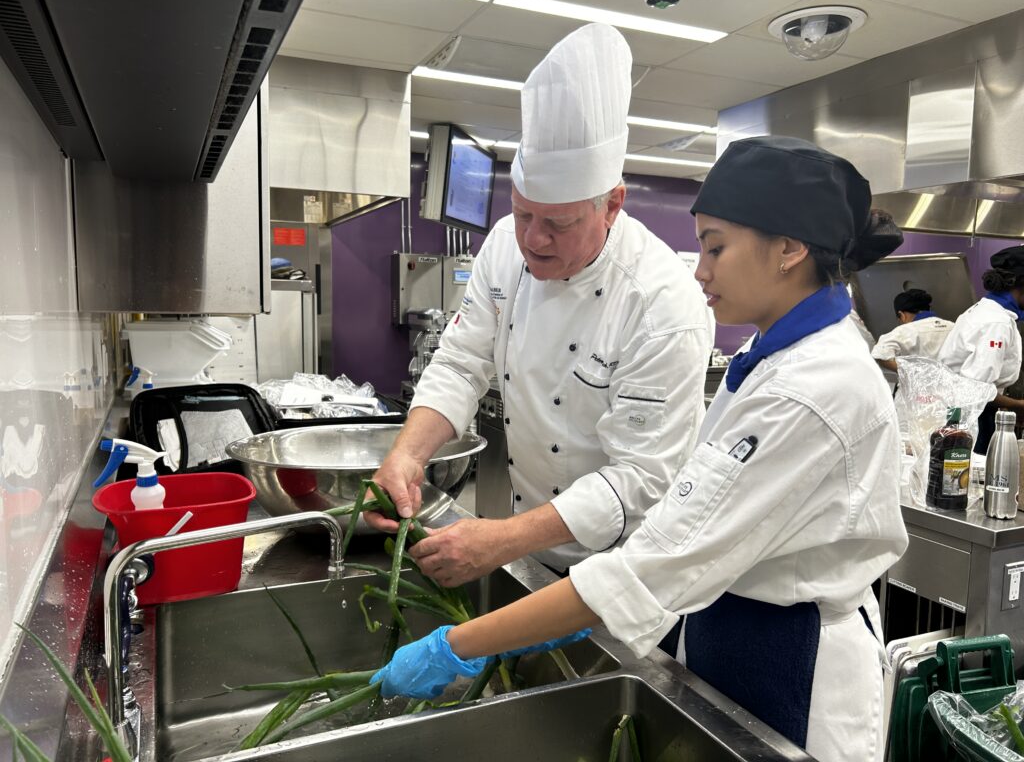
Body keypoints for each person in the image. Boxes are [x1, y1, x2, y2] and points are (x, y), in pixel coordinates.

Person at [372, 136, 909, 762]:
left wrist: (456, 645)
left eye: (715, 248)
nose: (701, 269)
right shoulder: (772, 354)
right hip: (720, 627)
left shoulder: (812, 387)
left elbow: (653, 563)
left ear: (789, 249)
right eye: (523, 217)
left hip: (793, 657)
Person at [367, 24, 712, 584]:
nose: (533, 239)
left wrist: (501, 538)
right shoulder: (503, 244)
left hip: (632, 565)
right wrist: (407, 454)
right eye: (524, 213)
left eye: (558, 223)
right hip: (535, 542)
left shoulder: (661, 302)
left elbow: (639, 478)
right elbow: (460, 362)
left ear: (613, 205)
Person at [938, 248, 1024, 452]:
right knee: (971, 474)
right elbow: (977, 389)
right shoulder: (996, 322)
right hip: (969, 415)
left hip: (964, 410)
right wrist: (1018, 405)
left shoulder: (986, 311)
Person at [872, 288, 953, 373]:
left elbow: (880, 355)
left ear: (901, 315)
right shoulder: (953, 326)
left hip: (920, 385)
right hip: (957, 384)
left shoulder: (904, 331)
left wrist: (914, 373)